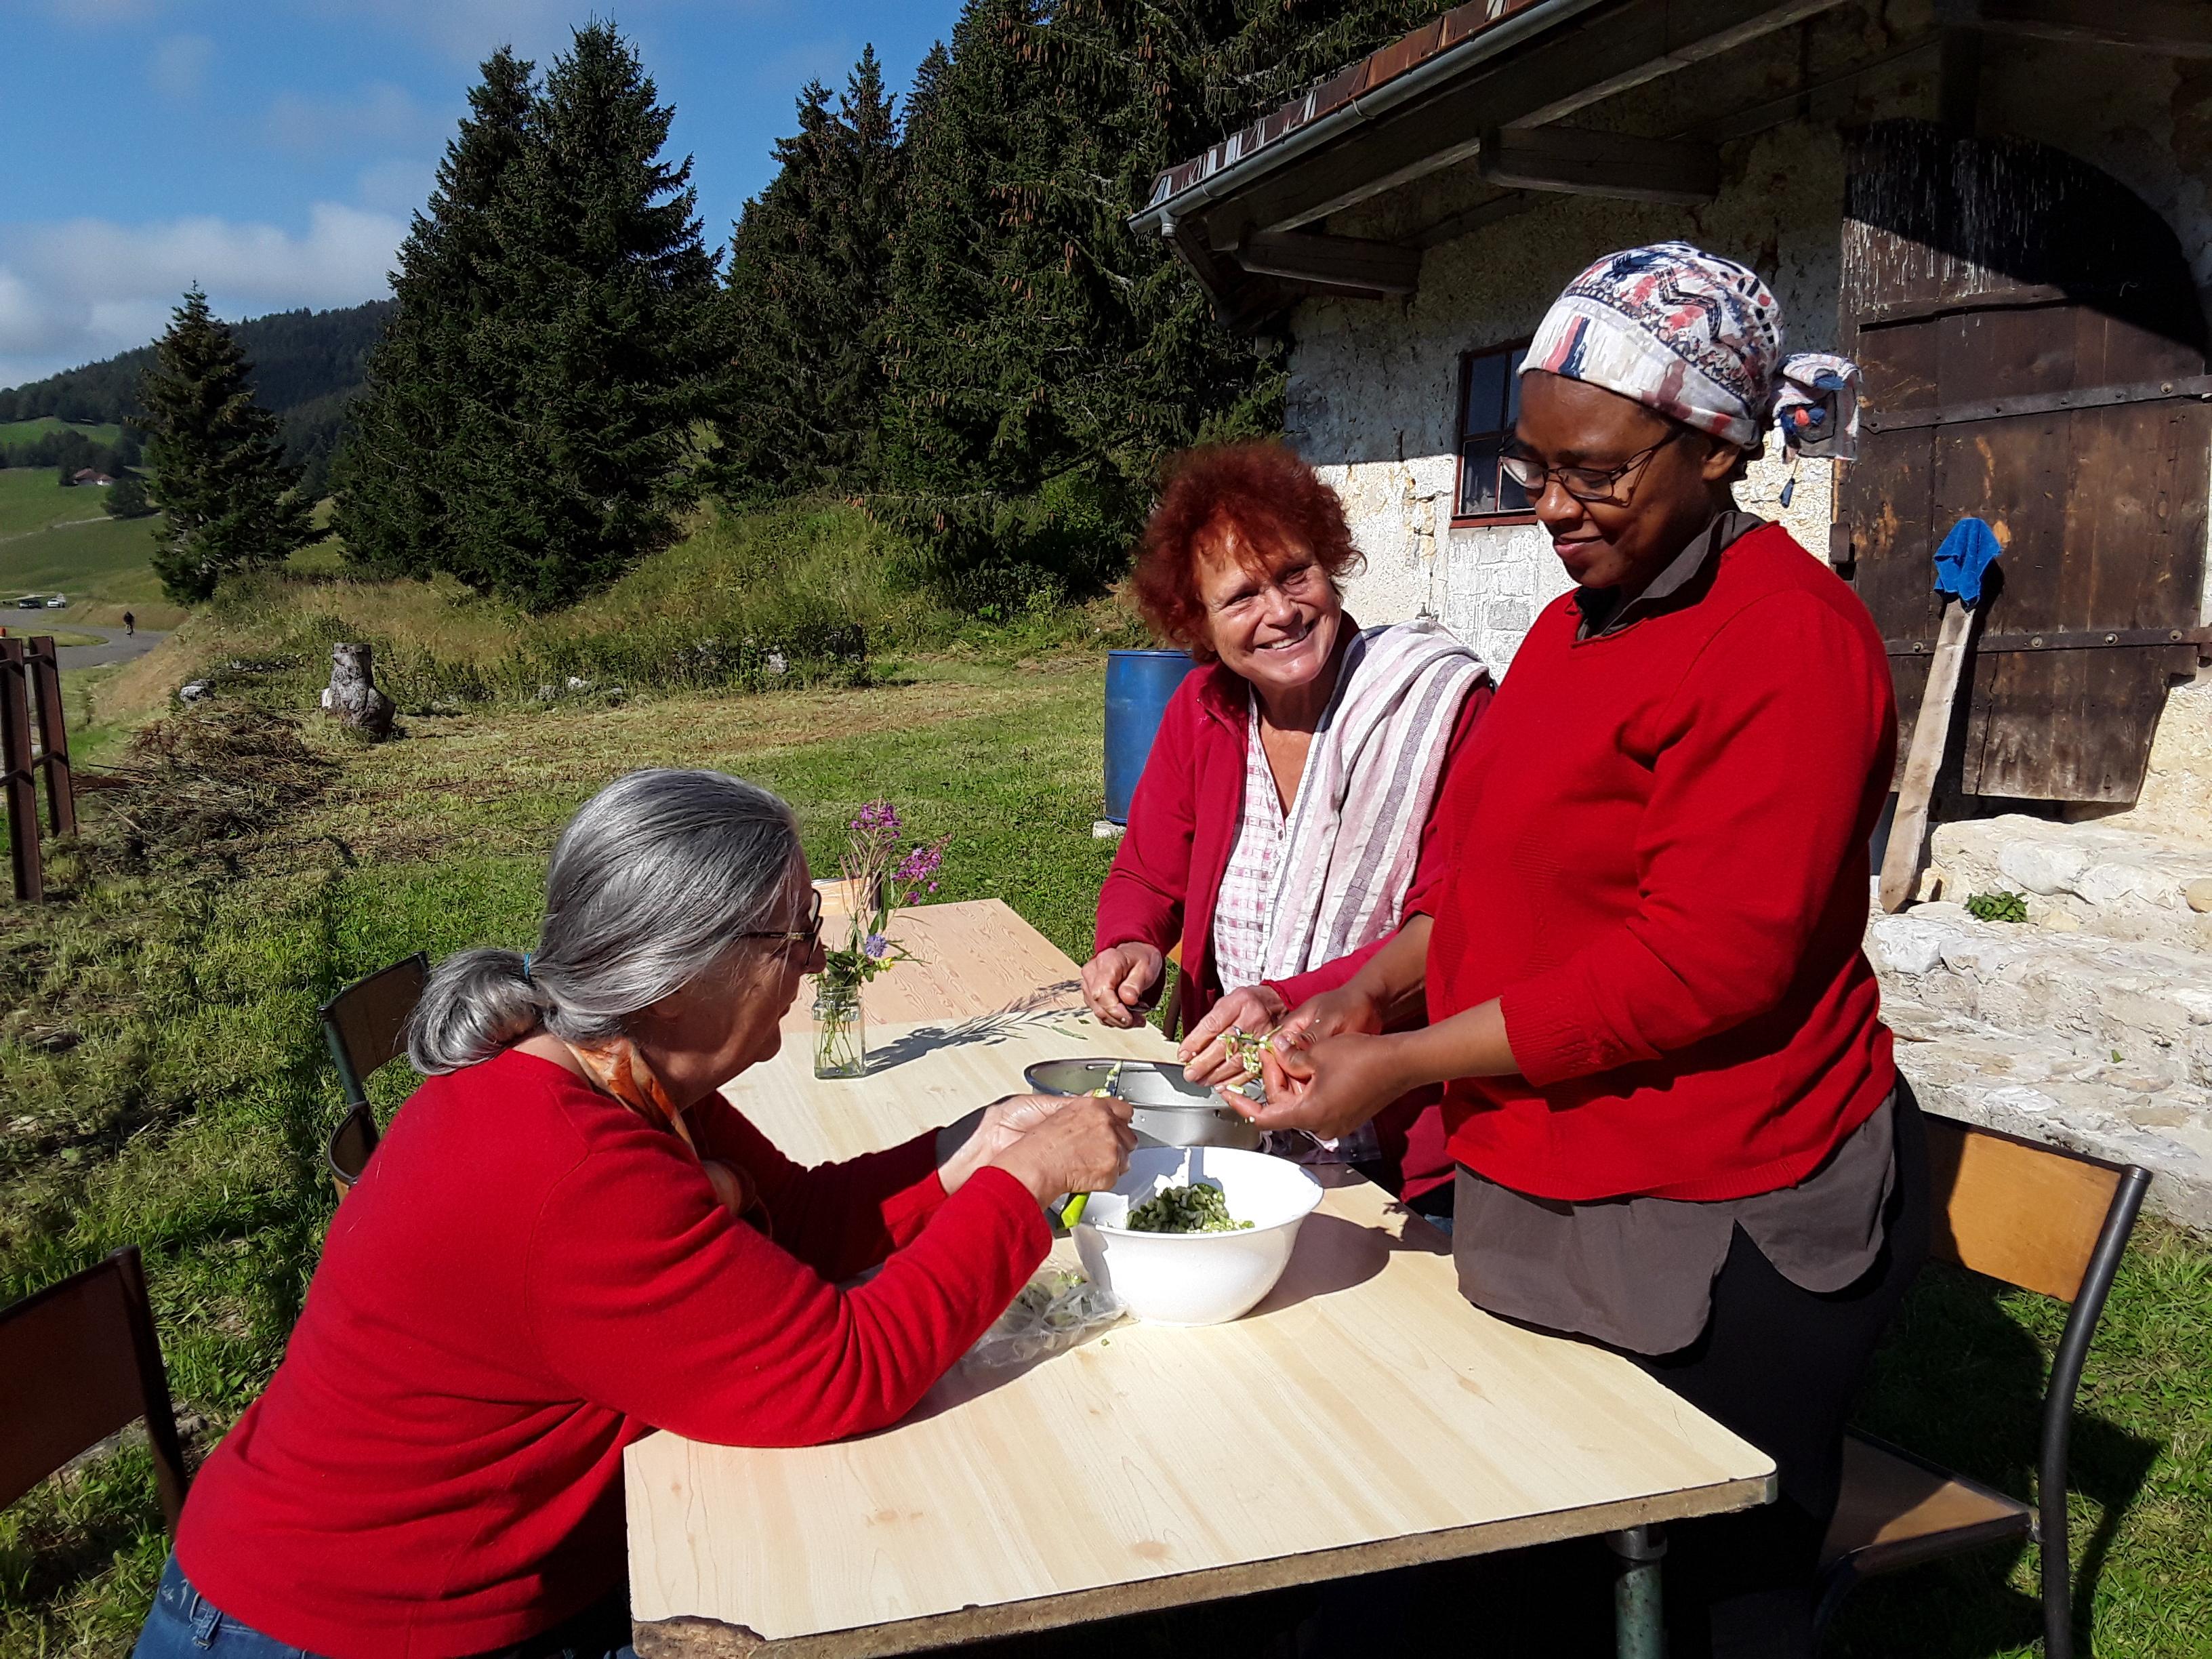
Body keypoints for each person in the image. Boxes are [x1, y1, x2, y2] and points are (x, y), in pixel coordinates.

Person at [1245, 244, 1927, 1658]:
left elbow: (1702, 968)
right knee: (1540, 1568)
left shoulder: (1788, 643)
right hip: (1557, 1170)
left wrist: (1403, 1065)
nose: (1554, 505)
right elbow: (1500, 886)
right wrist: (1364, 991)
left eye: (1599, 470)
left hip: (1726, 1209)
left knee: (1713, 1597)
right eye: (1532, 465)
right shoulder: (1569, 629)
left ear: (1718, 445)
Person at [134, 769, 1134, 1659]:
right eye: (795, 936)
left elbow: (804, 1219)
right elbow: (842, 1371)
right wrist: (1023, 1189)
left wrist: (971, 1150)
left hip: (454, 1592)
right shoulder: (574, 1167)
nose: (819, 965)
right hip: (340, 1627)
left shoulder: (618, 1076)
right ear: (677, 979)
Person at [1085, 442, 1491, 1207]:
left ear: (1330, 564)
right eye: (1240, 597)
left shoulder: (1435, 708)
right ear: (1197, 621)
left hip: (1401, 1141)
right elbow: (1147, 870)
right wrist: (1130, 942)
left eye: (1296, 574)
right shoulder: (1202, 714)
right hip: (1235, 1117)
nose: (1281, 612)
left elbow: (1459, 918)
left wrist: (1285, 996)